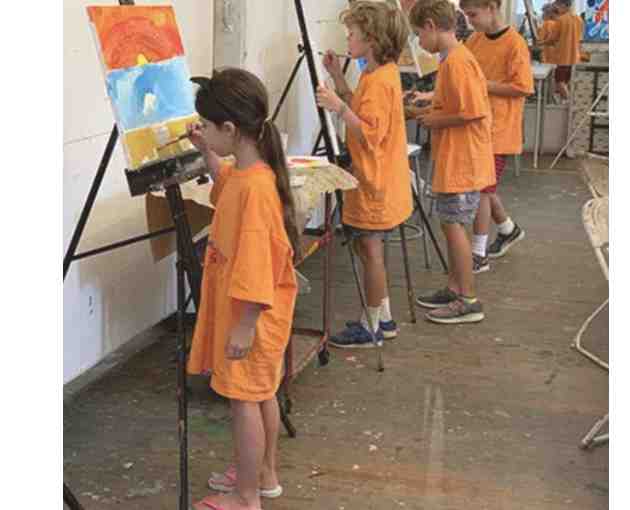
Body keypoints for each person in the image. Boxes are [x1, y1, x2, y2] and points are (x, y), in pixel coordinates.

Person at [186, 68, 300, 510]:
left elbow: (255, 267)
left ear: (230, 129)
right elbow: (226, 184)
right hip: (254, 315)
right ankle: (263, 474)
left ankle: (246, 496)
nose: (204, 131)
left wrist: (245, 326)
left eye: (208, 127)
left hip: (250, 315)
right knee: (261, 392)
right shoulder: (249, 173)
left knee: (243, 401)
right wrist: (206, 152)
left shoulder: (256, 190)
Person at [317, 1, 413, 347]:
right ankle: (382, 318)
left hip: (375, 183)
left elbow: (370, 132)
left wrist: (339, 107)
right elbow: (362, 109)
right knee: (366, 250)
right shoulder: (378, 74)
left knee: (370, 253)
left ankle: (372, 325)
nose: (347, 38)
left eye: (352, 33)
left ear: (371, 39)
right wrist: (338, 78)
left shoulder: (380, 82)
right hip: (378, 179)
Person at [409, 0, 495, 324]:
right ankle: (455, 287)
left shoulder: (458, 61)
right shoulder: (452, 60)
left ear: (431, 26)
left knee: (453, 225)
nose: (419, 42)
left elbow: (472, 112)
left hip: (464, 160)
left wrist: (435, 120)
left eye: (419, 34)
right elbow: (454, 104)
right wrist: (425, 110)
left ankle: (468, 299)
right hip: (456, 158)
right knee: (449, 223)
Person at [460, 0, 534, 272]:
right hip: (477, 126)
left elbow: (522, 87)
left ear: (492, 7)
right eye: (466, 15)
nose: (469, 21)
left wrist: (483, 85)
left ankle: (478, 253)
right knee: (486, 189)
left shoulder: (515, 44)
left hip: (500, 130)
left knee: (482, 190)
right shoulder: (474, 40)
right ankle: (507, 229)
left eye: (473, 14)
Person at [546, 0, 584, 101]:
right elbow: (579, 38)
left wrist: (542, 42)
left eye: (557, 6)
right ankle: (566, 104)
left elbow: (553, 39)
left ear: (564, 5)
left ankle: (569, 103)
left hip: (563, 57)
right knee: (566, 82)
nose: (557, 9)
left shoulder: (560, 20)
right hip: (574, 57)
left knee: (559, 82)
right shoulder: (579, 19)